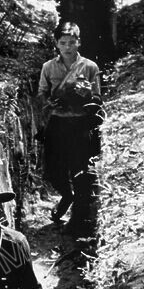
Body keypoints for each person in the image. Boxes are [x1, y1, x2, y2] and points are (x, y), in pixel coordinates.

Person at [36, 21, 104, 235]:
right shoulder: (48, 67)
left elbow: (98, 97)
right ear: (56, 44)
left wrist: (85, 96)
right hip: (57, 123)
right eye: (63, 42)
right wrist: (49, 103)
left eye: (72, 42)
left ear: (79, 42)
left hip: (80, 125)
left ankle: (78, 221)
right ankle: (67, 195)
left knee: (81, 171)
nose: (67, 47)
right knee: (54, 171)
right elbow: (41, 94)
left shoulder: (90, 67)